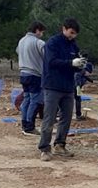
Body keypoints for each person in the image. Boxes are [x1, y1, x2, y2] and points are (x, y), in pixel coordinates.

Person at [38, 18, 89, 161]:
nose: (72, 36)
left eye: (75, 34)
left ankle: (60, 145)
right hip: (52, 85)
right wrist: (70, 62)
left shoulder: (74, 46)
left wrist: (80, 65)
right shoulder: (53, 43)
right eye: (71, 32)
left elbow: (74, 63)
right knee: (49, 118)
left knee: (66, 117)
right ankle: (45, 148)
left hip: (67, 86)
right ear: (64, 29)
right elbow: (51, 62)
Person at [16, 22, 46, 135]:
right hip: (35, 75)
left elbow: (18, 51)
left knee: (27, 99)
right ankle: (30, 127)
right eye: (42, 32)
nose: (42, 34)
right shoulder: (38, 42)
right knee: (35, 101)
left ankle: (24, 124)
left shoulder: (22, 41)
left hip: (23, 74)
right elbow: (47, 57)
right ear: (37, 30)